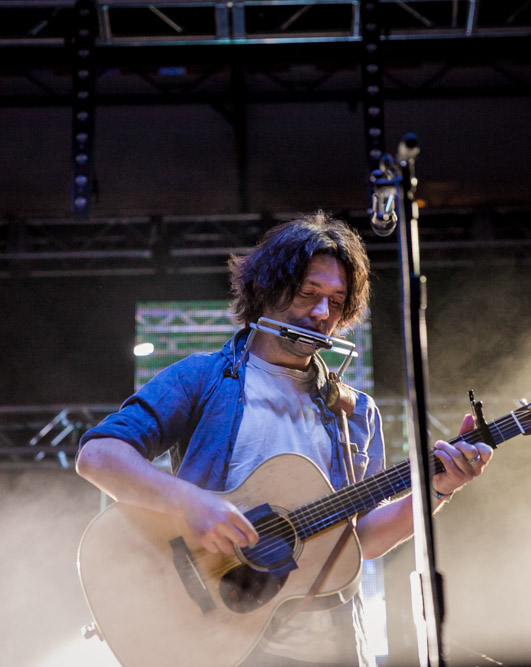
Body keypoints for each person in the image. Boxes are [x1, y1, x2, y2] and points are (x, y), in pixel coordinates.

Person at [75, 212, 493, 667]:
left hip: (329, 650)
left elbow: (361, 541)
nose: (321, 314)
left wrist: (440, 487)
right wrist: (190, 504)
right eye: (308, 294)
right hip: (221, 643)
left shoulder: (356, 412)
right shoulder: (204, 377)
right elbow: (99, 455)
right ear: (267, 291)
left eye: (336, 301)